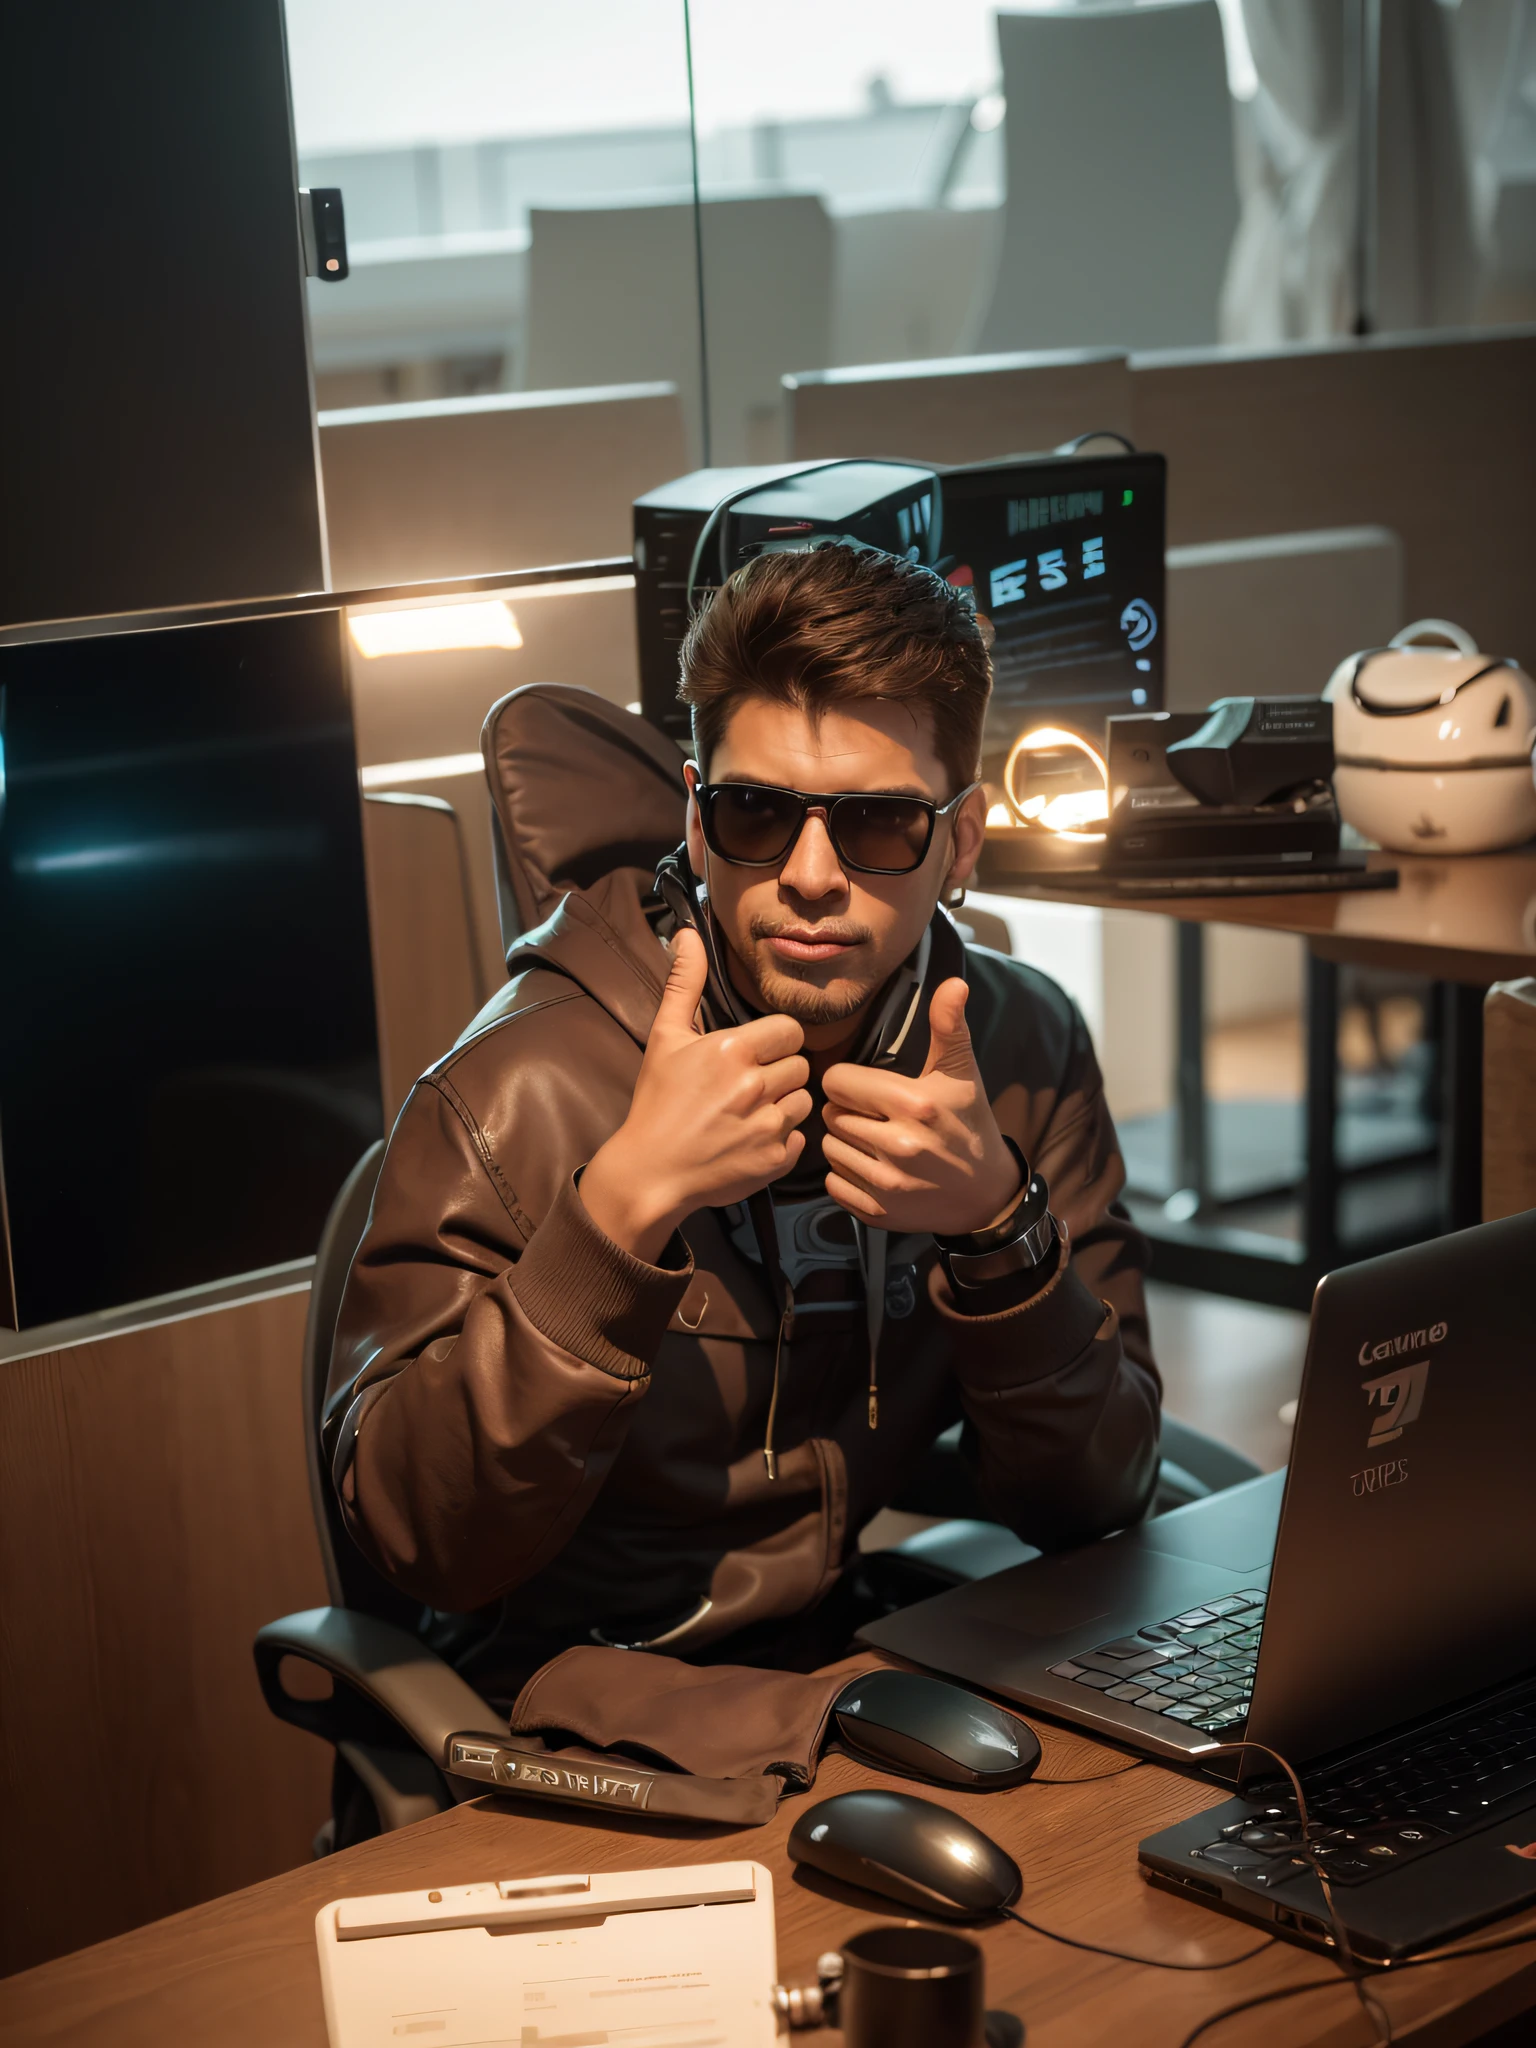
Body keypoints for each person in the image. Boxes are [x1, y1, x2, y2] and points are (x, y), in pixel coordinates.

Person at [326, 544, 1161, 1701]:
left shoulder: (1017, 1052)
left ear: (961, 842)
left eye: (877, 825)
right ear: (697, 814)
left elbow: (1102, 1497)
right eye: (757, 811)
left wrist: (996, 1231)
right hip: (573, 1709)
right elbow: (425, 1539)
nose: (811, 875)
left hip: (850, 1670)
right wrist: (617, 1215)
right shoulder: (517, 1087)